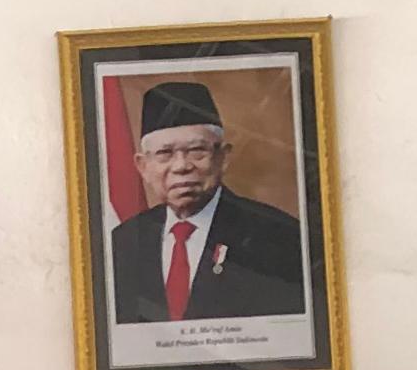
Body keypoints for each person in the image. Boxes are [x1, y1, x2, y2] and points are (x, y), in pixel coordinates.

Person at [104, 77, 308, 326]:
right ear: (143, 166)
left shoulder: (278, 238)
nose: (181, 166)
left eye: (196, 151)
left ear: (222, 158)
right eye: (165, 153)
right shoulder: (122, 243)